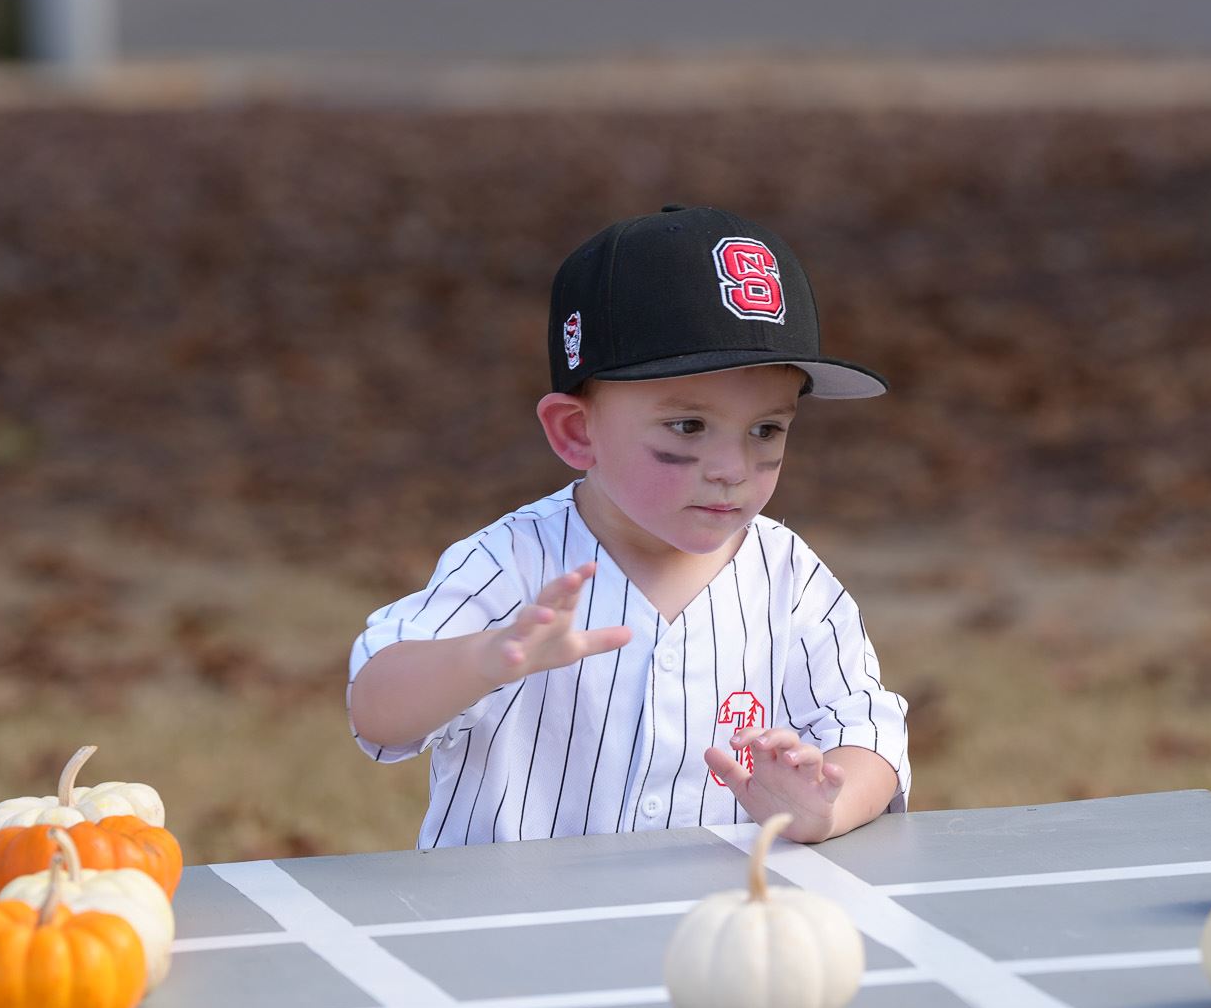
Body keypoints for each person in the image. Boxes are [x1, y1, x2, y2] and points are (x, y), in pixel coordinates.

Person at [347, 205, 910, 849]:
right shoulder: (515, 565)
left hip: (712, 934)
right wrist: (480, 659)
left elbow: (868, 731)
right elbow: (378, 711)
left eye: (766, 430)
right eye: (688, 426)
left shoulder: (788, 577)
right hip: (514, 937)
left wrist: (827, 807)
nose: (731, 468)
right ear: (576, 430)